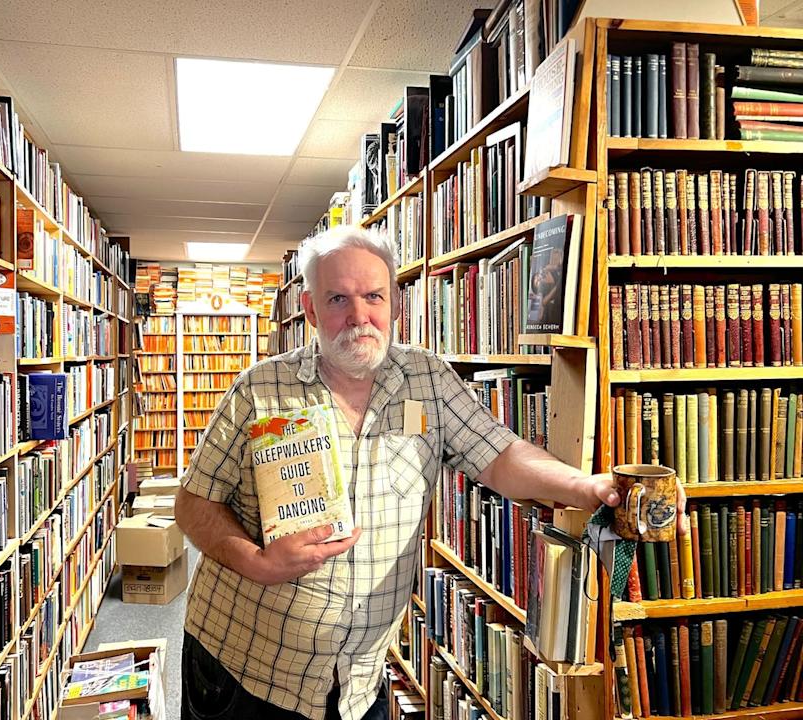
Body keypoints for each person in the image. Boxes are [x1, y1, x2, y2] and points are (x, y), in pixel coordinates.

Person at [175, 226, 684, 720]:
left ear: (394, 302)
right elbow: (193, 504)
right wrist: (259, 562)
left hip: (358, 684)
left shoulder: (428, 380)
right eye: (338, 300)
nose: (360, 317)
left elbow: (501, 455)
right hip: (244, 669)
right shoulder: (259, 390)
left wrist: (588, 486)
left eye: (374, 297)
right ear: (308, 308)